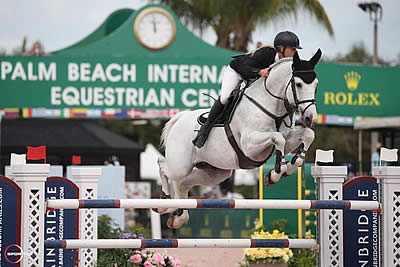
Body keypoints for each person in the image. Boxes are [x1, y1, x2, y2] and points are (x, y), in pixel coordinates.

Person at [192, 31, 302, 148]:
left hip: (255, 77)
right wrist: (259, 72)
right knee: (225, 97)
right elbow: (243, 67)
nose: (295, 52)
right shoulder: (266, 53)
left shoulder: (287, 64)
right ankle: (204, 130)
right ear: (281, 49)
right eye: (293, 49)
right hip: (237, 71)